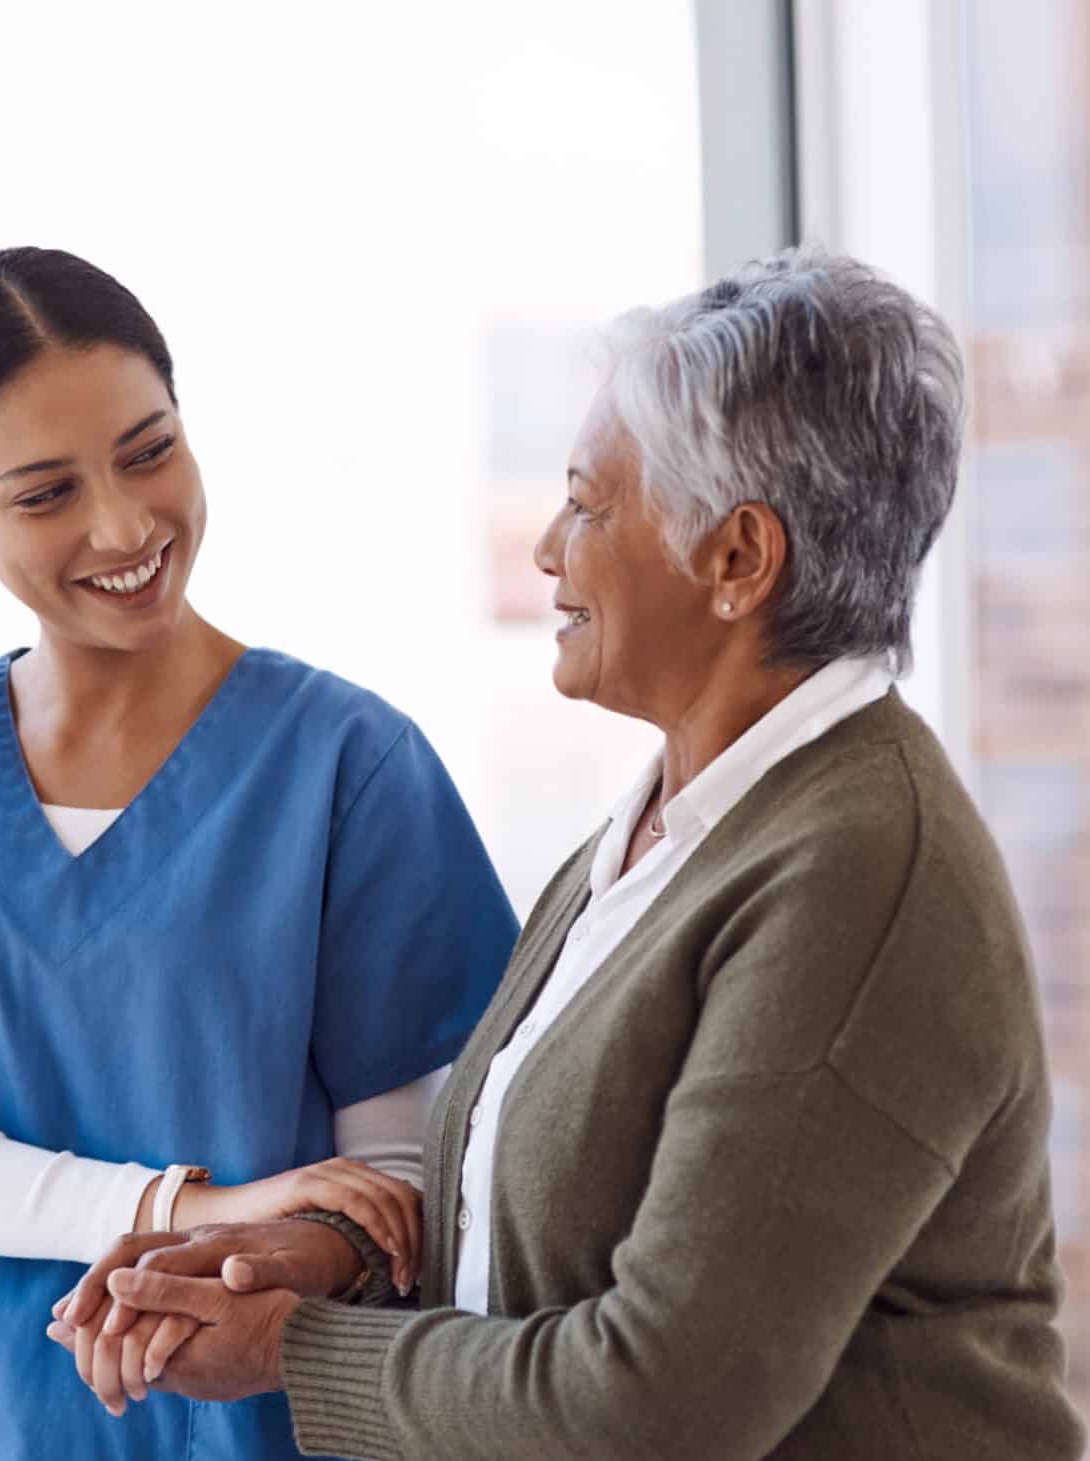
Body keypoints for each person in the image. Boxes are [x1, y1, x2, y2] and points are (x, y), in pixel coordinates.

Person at [53, 249, 1088, 1460]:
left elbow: (661, 1400)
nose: (548, 548)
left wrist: (293, 1349)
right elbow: (557, 1231)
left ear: (738, 561)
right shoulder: (669, 828)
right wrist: (325, 1262)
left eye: (589, 504)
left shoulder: (856, 871)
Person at [0, 247, 518, 1459]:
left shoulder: (350, 766)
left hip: (247, 1419)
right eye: (45, 494)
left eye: (149, 451)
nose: (123, 523)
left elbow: (397, 1181)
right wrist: (183, 1206)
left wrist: (259, 1249)